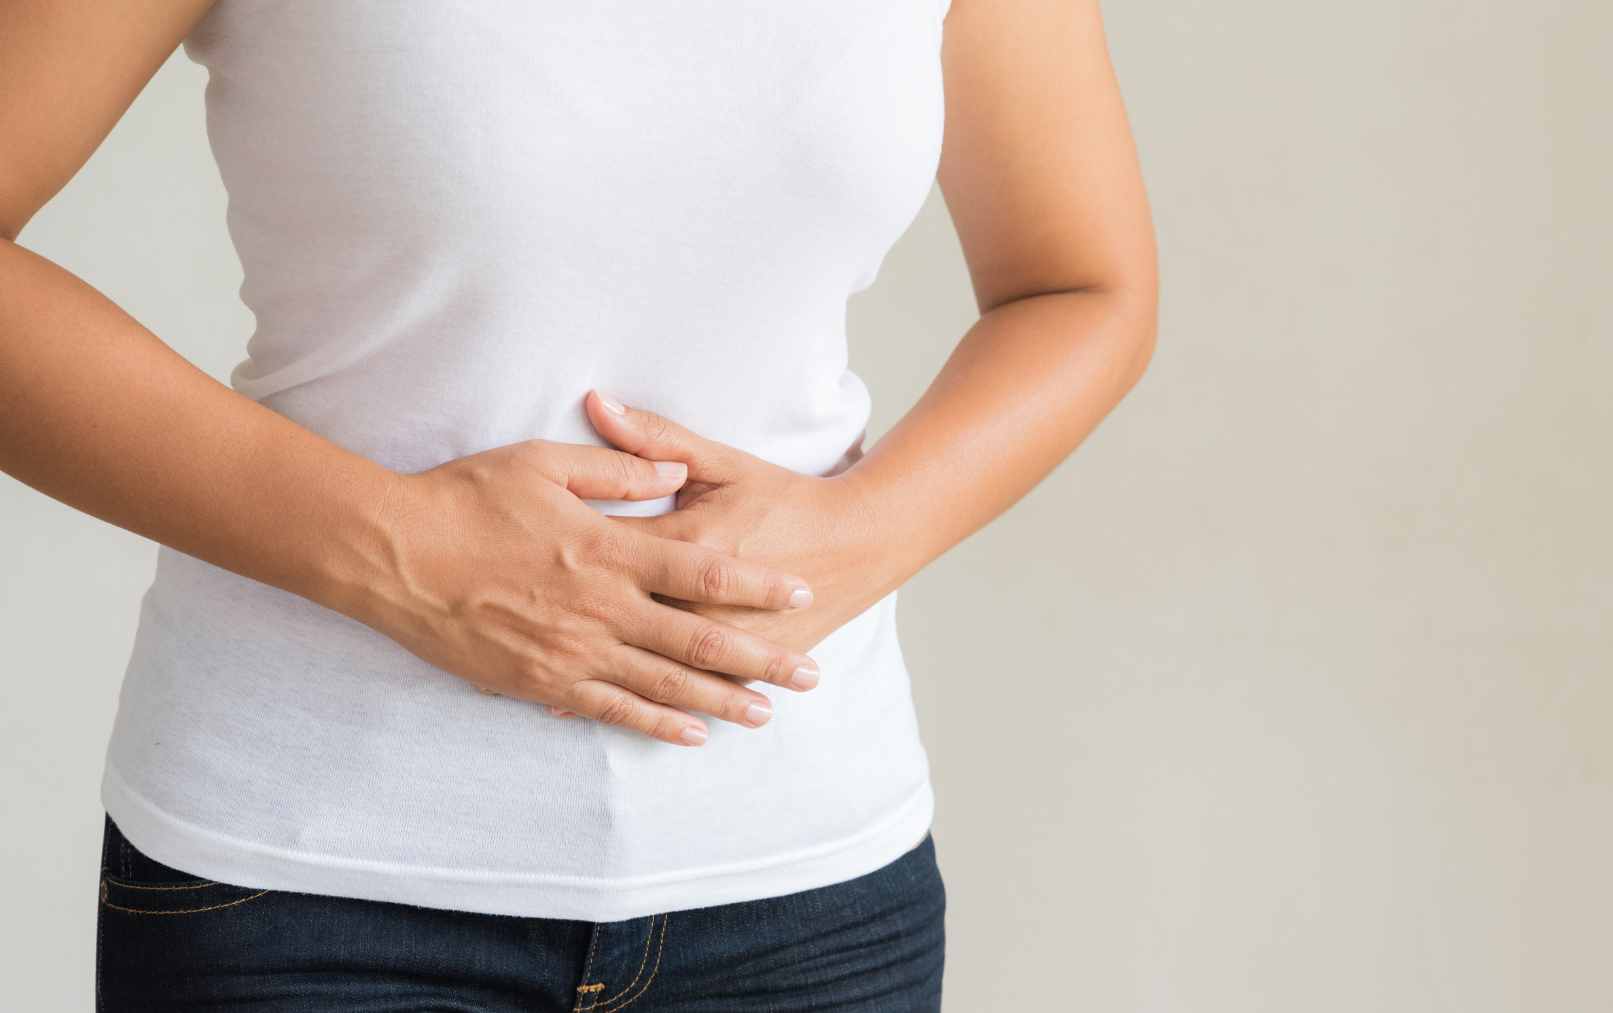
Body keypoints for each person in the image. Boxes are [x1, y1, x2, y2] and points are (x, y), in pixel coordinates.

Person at [0, 0, 1157, 1008]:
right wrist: (405, 553)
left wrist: (858, 537)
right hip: (311, 887)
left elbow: (1081, 284)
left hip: (807, 897)